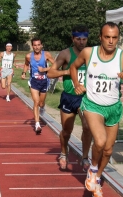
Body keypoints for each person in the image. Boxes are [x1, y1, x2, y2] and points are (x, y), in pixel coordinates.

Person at [70, 22, 123, 197]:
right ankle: (93, 169)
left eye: (114, 38)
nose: (111, 41)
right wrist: (77, 84)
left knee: (109, 150)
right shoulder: (89, 53)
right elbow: (73, 67)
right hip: (92, 105)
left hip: (113, 107)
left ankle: (97, 177)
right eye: (107, 37)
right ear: (100, 37)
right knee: (100, 141)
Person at [47, 25, 92, 171]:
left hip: (85, 98)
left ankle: (85, 157)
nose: (81, 42)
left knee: (87, 127)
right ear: (73, 38)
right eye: (78, 39)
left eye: (84, 39)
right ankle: (63, 153)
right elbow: (50, 73)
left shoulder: (91, 53)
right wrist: (68, 71)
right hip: (69, 97)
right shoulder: (65, 54)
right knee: (67, 130)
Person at [21, 37, 55, 134]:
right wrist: (23, 73)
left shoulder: (46, 55)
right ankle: (37, 125)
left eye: (38, 45)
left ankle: (43, 107)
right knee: (36, 102)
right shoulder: (28, 56)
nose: (36, 47)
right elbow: (26, 64)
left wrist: (44, 70)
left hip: (44, 81)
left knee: (41, 103)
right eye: (35, 45)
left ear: (41, 45)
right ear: (32, 46)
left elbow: (56, 64)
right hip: (34, 81)